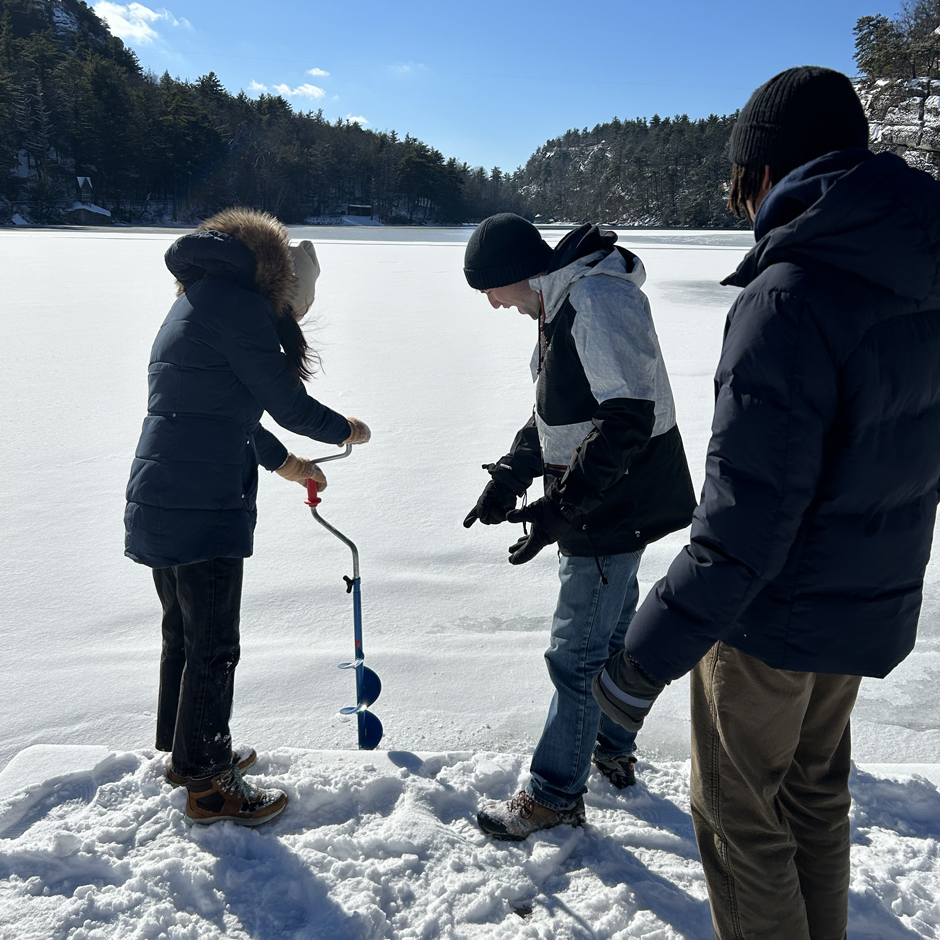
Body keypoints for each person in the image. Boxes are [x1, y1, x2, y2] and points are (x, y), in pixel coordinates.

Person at [593, 66, 940, 940]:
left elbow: (746, 516)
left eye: (736, 180)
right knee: (815, 797)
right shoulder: (919, 275)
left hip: (766, 619)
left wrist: (639, 663)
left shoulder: (787, 294)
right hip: (865, 600)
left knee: (742, 821)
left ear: (764, 172)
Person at [125, 207, 371, 827]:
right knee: (214, 645)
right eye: (299, 309)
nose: (296, 320)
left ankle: (188, 757)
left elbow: (221, 412)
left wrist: (288, 465)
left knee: (185, 632)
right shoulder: (238, 308)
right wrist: (345, 429)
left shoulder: (203, 301)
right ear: (282, 292)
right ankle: (209, 786)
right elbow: (285, 403)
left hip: (166, 493)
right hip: (201, 503)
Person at [462, 213, 696, 840]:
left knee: (576, 655)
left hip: (610, 505)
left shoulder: (594, 298)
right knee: (613, 638)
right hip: (610, 500)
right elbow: (557, 412)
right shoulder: (564, 302)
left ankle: (554, 794)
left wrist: (563, 508)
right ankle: (611, 746)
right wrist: (511, 474)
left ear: (519, 274)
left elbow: (626, 419)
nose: (490, 302)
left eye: (490, 288)